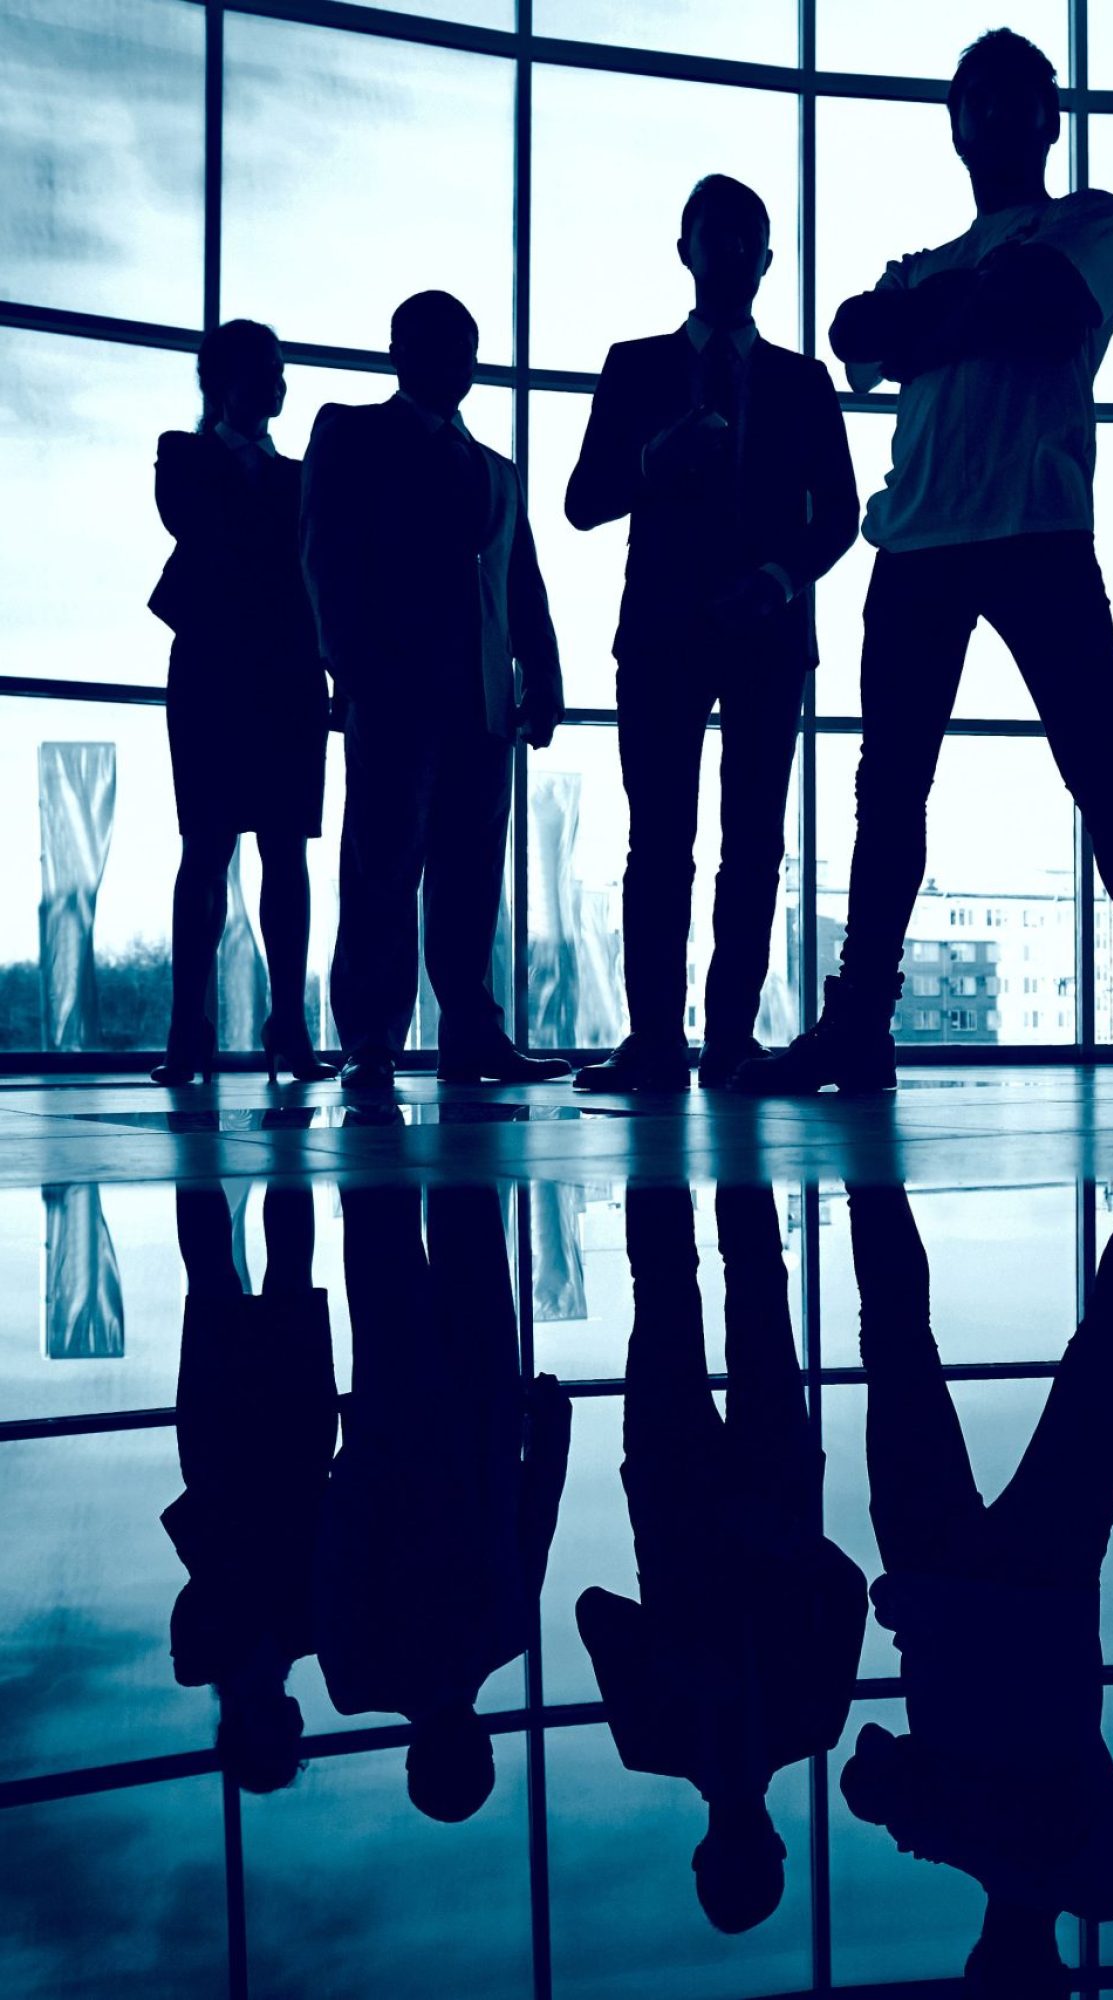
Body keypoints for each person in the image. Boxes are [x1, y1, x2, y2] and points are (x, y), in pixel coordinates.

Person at [736, 30, 1113, 1100]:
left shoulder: (1090, 222)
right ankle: (861, 1023)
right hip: (918, 542)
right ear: (954, 125)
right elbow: (855, 333)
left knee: (1101, 776)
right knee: (891, 791)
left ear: (1050, 120)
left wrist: (934, 321)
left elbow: (1039, 309)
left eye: (1017, 100)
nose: (997, 117)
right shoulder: (930, 264)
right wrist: (968, 303)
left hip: (1034, 533)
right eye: (978, 102)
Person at [839, 1179, 1113, 1996]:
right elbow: (869, 1769)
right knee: (897, 1343)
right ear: (976, 1960)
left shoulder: (1097, 1875)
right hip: (942, 1590)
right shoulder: (948, 1831)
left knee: (1107, 1349)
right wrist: (939, 1819)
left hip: (1046, 1594)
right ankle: (868, 1161)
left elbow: (1069, 1834)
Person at [565, 177, 859, 1095]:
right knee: (659, 838)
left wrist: (775, 583)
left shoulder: (804, 383)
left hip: (765, 636)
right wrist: (654, 460)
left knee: (754, 841)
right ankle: (656, 1038)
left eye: (747, 239)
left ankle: (727, 1038)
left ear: (767, 262)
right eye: (715, 235)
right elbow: (582, 501)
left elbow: (842, 514)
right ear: (684, 249)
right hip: (659, 635)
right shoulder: (632, 367)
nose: (730, 251)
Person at [575, 1184, 867, 1932]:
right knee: (674, 1290)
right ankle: (662, 1122)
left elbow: (843, 1589)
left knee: (751, 1286)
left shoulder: (811, 1725)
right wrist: (666, 1655)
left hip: (762, 1486)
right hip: (678, 1497)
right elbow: (598, 1613)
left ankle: (719, 1125)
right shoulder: (650, 1739)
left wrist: (777, 1534)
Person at [301, 290, 568, 1093]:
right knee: (383, 863)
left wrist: (543, 673)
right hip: (393, 688)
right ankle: (372, 1038)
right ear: (398, 351)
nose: (458, 360)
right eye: (439, 344)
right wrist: (348, 667)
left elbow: (521, 581)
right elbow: (323, 555)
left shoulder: (498, 471)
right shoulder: (351, 432)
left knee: (470, 873)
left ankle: (470, 1034)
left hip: (482, 698)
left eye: (467, 347)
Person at [316, 1182, 570, 1821]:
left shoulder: (506, 1635)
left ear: (483, 1748)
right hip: (401, 1419)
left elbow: (533, 1522)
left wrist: (549, 1433)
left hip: (479, 1415)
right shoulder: (358, 1674)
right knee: (384, 1242)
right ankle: (373, 1103)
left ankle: (450, 1088)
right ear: (411, 1757)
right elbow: (337, 1548)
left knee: (467, 1228)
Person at [147, 321, 333, 1085]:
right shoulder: (185, 455)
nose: (278, 382)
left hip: (278, 674)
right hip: (223, 677)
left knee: (283, 853)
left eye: (282, 369)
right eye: (265, 369)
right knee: (209, 848)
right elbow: (202, 529)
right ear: (220, 381)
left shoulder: (293, 478)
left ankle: (282, 1026)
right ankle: (192, 1031)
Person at [162, 1183, 335, 1793]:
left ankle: (273, 1149)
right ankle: (204, 1156)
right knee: (216, 1281)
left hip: (283, 1453)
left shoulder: (312, 1630)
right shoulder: (206, 1652)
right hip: (228, 1458)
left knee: (272, 1275)